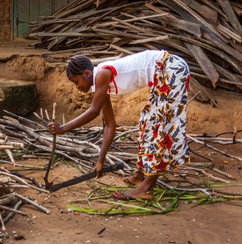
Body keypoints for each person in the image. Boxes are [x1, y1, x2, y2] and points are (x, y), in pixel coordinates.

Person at [48, 50, 190, 200]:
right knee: (147, 123)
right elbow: (110, 125)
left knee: (159, 127)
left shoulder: (102, 74)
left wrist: (63, 128)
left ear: (87, 74)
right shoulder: (101, 84)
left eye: (76, 81)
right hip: (164, 73)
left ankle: (147, 188)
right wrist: (100, 161)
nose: (76, 87)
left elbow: (94, 111)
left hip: (172, 68)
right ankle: (140, 175)